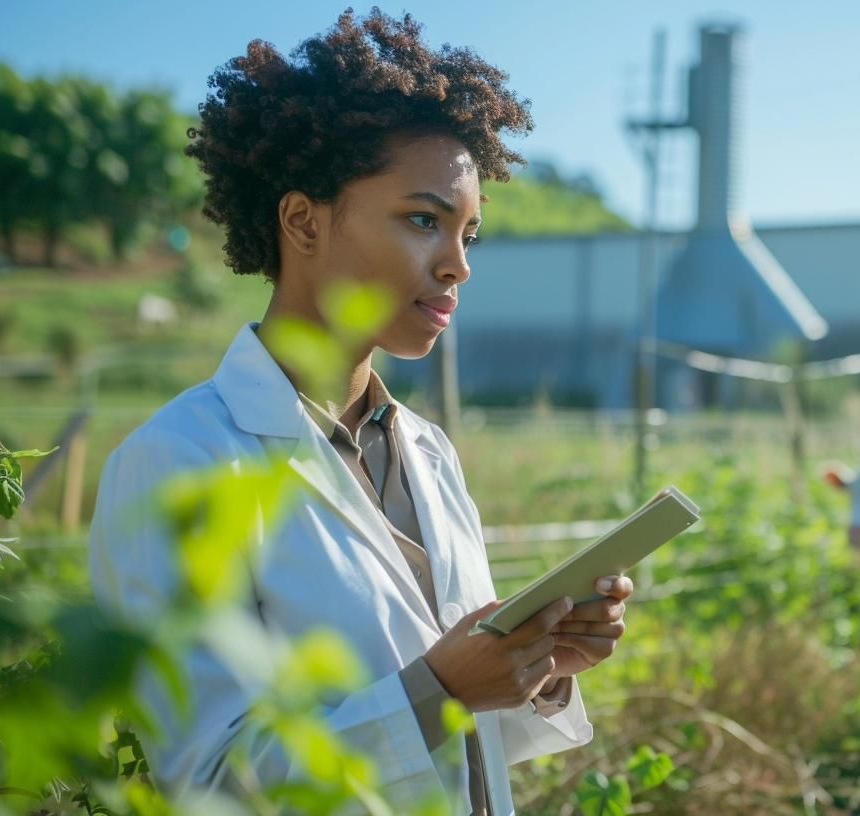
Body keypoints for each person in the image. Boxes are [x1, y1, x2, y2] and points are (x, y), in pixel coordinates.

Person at [87, 10, 629, 814]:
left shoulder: (431, 453)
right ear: (303, 220)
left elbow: (467, 749)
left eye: (468, 232)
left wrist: (537, 670)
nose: (458, 264)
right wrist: (437, 691)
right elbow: (203, 786)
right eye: (423, 220)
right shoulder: (178, 461)